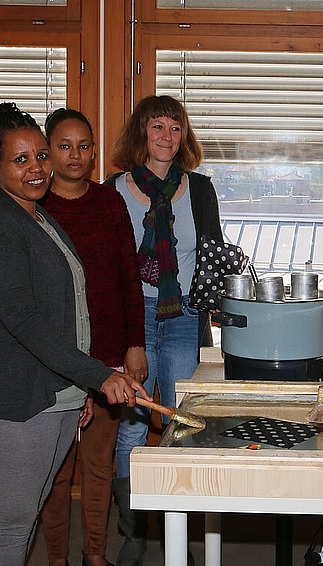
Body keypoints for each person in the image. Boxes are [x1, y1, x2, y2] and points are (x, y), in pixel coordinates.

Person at [0, 102, 150, 566]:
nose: (36, 168)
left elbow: (67, 312)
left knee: (28, 510)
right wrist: (96, 375)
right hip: (2, 393)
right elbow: (27, 323)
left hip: (46, 388)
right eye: (20, 160)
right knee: (12, 522)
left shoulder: (36, 215)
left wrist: (74, 387)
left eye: (39, 155)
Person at [109, 94, 222, 566]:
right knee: (133, 428)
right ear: (141, 134)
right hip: (133, 321)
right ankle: (134, 532)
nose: (166, 137)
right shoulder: (113, 190)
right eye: (157, 127)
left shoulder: (199, 188)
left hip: (183, 319)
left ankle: (185, 529)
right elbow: (109, 267)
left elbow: (214, 257)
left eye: (175, 128)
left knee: (182, 425)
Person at [39, 108, 147, 566]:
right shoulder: (33, 206)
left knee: (99, 466)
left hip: (109, 358)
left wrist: (135, 344)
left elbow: (129, 276)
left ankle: (96, 557)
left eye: (84, 146)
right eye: (65, 146)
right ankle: (58, 559)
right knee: (57, 472)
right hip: (54, 360)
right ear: (48, 151)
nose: (76, 155)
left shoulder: (110, 202)